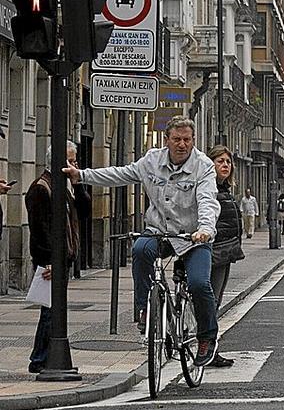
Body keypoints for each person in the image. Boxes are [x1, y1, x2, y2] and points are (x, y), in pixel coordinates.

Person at [63, 116, 221, 367]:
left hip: (193, 237)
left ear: (193, 141)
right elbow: (120, 174)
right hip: (159, 231)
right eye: (177, 139)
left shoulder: (203, 166)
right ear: (166, 140)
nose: (182, 145)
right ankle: (144, 309)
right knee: (140, 248)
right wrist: (81, 175)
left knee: (200, 284)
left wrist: (205, 229)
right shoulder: (152, 161)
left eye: (187, 140)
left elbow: (208, 201)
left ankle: (207, 337)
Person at [25, 141, 91, 374]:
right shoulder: (42, 188)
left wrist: (78, 183)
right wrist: (50, 260)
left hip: (64, 256)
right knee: (51, 310)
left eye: (75, 161)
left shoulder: (64, 185)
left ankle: (41, 356)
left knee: (53, 309)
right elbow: (40, 228)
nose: (74, 165)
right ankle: (40, 358)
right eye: (70, 161)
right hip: (50, 259)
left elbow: (84, 212)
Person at [206, 145, 245, 368]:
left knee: (214, 302)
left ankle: (210, 346)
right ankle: (209, 348)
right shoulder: (208, 189)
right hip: (214, 252)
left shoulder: (224, 189)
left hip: (225, 252)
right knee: (210, 302)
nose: (225, 165)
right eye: (220, 161)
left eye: (228, 162)